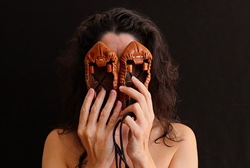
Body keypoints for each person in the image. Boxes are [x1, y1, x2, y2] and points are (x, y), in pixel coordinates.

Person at [42, 7, 198, 168]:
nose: (118, 82)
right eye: (105, 67)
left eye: (130, 66)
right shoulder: (60, 143)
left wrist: (141, 156)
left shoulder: (178, 140)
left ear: (149, 73)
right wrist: (98, 163)